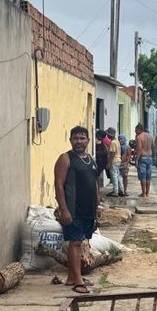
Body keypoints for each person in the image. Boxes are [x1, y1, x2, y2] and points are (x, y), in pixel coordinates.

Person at [54, 126, 101, 295]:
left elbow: (95, 184)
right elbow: (58, 185)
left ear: (88, 140)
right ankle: (78, 281)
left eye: (82, 138)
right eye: (75, 138)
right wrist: (64, 209)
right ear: (70, 140)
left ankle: (71, 278)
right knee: (74, 242)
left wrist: (97, 206)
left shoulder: (90, 159)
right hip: (73, 209)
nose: (79, 141)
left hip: (89, 209)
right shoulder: (65, 158)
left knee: (80, 242)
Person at [134, 123, 154, 197]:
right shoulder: (150, 136)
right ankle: (147, 193)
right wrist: (154, 156)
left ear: (140, 129)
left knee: (143, 176)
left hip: (142, 158)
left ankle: (143, 193)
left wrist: (136, 160)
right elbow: (154, 146)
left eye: (136, 130)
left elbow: (139, 149)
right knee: (148, 176)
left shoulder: (139, 137)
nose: (135, 131)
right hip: (149, 157)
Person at [107, 127, 124, 197]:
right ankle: (121, 190)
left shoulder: (113, 142)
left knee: (114, 176)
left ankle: (115, 191)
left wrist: (109, 163)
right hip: (118, 160)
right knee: (118, 175)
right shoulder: (117, 141)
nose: (107, 135)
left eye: (108, 134)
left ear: (110, 135)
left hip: (114, 161)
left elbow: (112, 153)